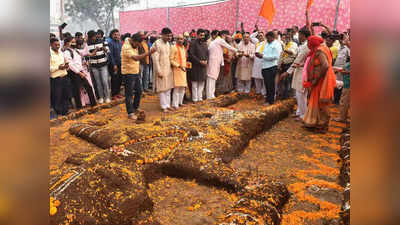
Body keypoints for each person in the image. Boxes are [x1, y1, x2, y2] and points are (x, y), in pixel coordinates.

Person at [302, 36, 336, 132]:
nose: (308, 45)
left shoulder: (320, 51)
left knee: (322, 103)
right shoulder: (321, 48)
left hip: (322, 81)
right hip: (320, 80)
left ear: (312, 44)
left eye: (309, 43)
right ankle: (314, 122)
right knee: (315, 101)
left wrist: (316, 79)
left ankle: (323, 125)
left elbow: (325, 66)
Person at [121, 33, 156, 120]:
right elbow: (136, 58)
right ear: (133, 40)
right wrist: (149, 53)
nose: (137, 46)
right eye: (137, 44)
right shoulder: (126, 47)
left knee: (139, 91)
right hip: (128, 73)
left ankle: (135, 108)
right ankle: (130, 113)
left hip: (135, 71)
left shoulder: (133, 42)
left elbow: (141, 36)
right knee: (129, 94)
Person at [281, 27, 311, 120]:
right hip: (299, 70)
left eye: (299, 35)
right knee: (299, 93)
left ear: (304, 36)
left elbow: (298, 60)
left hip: (302, 71)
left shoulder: (306, 46)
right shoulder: (303, 44)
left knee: (301, 94)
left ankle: (303, 115)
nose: (298, 37)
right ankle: (299, 112)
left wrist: (287, 72)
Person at [63, 37, 97, 109]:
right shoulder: (66, 52)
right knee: (76, 91)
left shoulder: (76, 51)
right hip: (74, 73)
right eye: (72, 42)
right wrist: (79, 73)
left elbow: (85, 52)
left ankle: (93, 104)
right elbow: (70, 65)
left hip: (80, 72)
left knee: (88, 87)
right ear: (67, 43)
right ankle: (79, 108)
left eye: (74, 42)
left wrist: (85, 41)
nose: (74, 43)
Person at [206, 30, 239, 99]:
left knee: (213, 78)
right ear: (224, 35)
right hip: (214, 61)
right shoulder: (219, 40)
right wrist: (238, 51)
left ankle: (211, 94)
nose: (228, 37)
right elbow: (229, 47)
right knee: (211, 78)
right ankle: (209, 95)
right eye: (227, 35)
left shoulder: (216, 41)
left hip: (215, 61)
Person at [256, 31, 282, 105]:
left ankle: (271, 100)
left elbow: (276, 56)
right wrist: (259, 54)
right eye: (266, 38)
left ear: (273, 37)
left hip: (272, 66)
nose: (267, 39)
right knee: (267, 84)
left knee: (271, 84)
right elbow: (263, 52)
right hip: (264, 66)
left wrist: (263, 56)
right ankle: (268, 99)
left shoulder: (277, 44)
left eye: (268, 38)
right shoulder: (266, 43)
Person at [151, 27, 175, 112]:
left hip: (168, 68)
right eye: (168, 36)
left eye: (170, 36)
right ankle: (163, 106)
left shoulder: (168, 44)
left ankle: (168, 105)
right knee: (162, 89)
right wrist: (158, 71)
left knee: (168, 88)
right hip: (160, 68)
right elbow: (155, 59)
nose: (169, 38)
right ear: (163, 35)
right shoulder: (156, 44)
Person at [85, 30, 111, 104]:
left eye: (94, 36)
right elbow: (87, 55)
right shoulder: (87, 44)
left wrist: (105, 49)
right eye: (91, 37)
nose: (93, 38)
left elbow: (108, 51)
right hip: (94, 66)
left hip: (103, 64)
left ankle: (107, 97)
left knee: (105, 81)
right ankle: (101, 97)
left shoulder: (102, 41)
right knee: (98, 83)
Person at [50, 38, 70, 116]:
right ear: (51, 44)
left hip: (65, 76)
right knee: (57, 97)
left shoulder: (61, 52)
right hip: (56, 79)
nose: (58, 46)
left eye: (59, 44)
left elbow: (65, 63)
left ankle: (65, 112)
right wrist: (58, 68)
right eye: (56, 45)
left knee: (66, 95)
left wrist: (66, 66)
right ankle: (59, 113)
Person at [277, 30, 298, 99]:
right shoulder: (285, 44)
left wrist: (284, 49)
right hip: (283, 65)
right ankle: (282, 95)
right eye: (286, 36)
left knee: (287, 81)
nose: (286, 37)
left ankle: (286, 97)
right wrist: (279, 65)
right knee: (282, 81)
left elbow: (292, 53)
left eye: (288, 36)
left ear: (291, 37)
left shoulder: (293, 44)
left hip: (289, 65)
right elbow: (281, 56)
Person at [189, 29, 209, 103]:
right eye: (201, 35)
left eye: (203, 35)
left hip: (203, 66)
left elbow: (207, 54)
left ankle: (200, 98)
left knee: (201, 83)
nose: (202, 37)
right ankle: (195, 99)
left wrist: (206, 60)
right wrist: (199, 61)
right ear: (197, 35)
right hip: (195, 66)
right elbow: (191, 55)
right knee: (194, 84)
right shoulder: (193, 43)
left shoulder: (205, 44)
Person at [170, 34, 188, 109]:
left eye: (181, 39)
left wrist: (186, 65)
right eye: (179, 39)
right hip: (177, 70)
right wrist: (178, 65)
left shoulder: (183, 47)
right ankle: (175, 104)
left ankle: (180, 102)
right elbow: (171, 60)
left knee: (183, 88)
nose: (180, 40)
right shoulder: (173, 47)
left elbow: (184, 59)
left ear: (183, 40)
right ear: (176, 40)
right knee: (177, 88)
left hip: (183, 70)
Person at [108, 29, 123, 100]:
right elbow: (110, 55)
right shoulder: (110, 43)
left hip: (120, 64)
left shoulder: (120, 43)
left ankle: (118, 93)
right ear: (112, 35)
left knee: (120, 79)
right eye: (115, 35)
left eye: (118, 35)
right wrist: (114, 65)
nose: (117, 36)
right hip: (114, 65)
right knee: (114, 79)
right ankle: (114, 94)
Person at [252, 32, 267, 96]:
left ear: (264, 36)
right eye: (259, 36)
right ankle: (258, 91)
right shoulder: (257, 42)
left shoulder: (267, 43)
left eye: (261, 36)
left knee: (263, 78)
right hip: (256, 62)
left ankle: (264, 92)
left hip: (263, 62)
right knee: (256, 77)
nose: (260, 37)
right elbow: (251, 37)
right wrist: (257, 32)